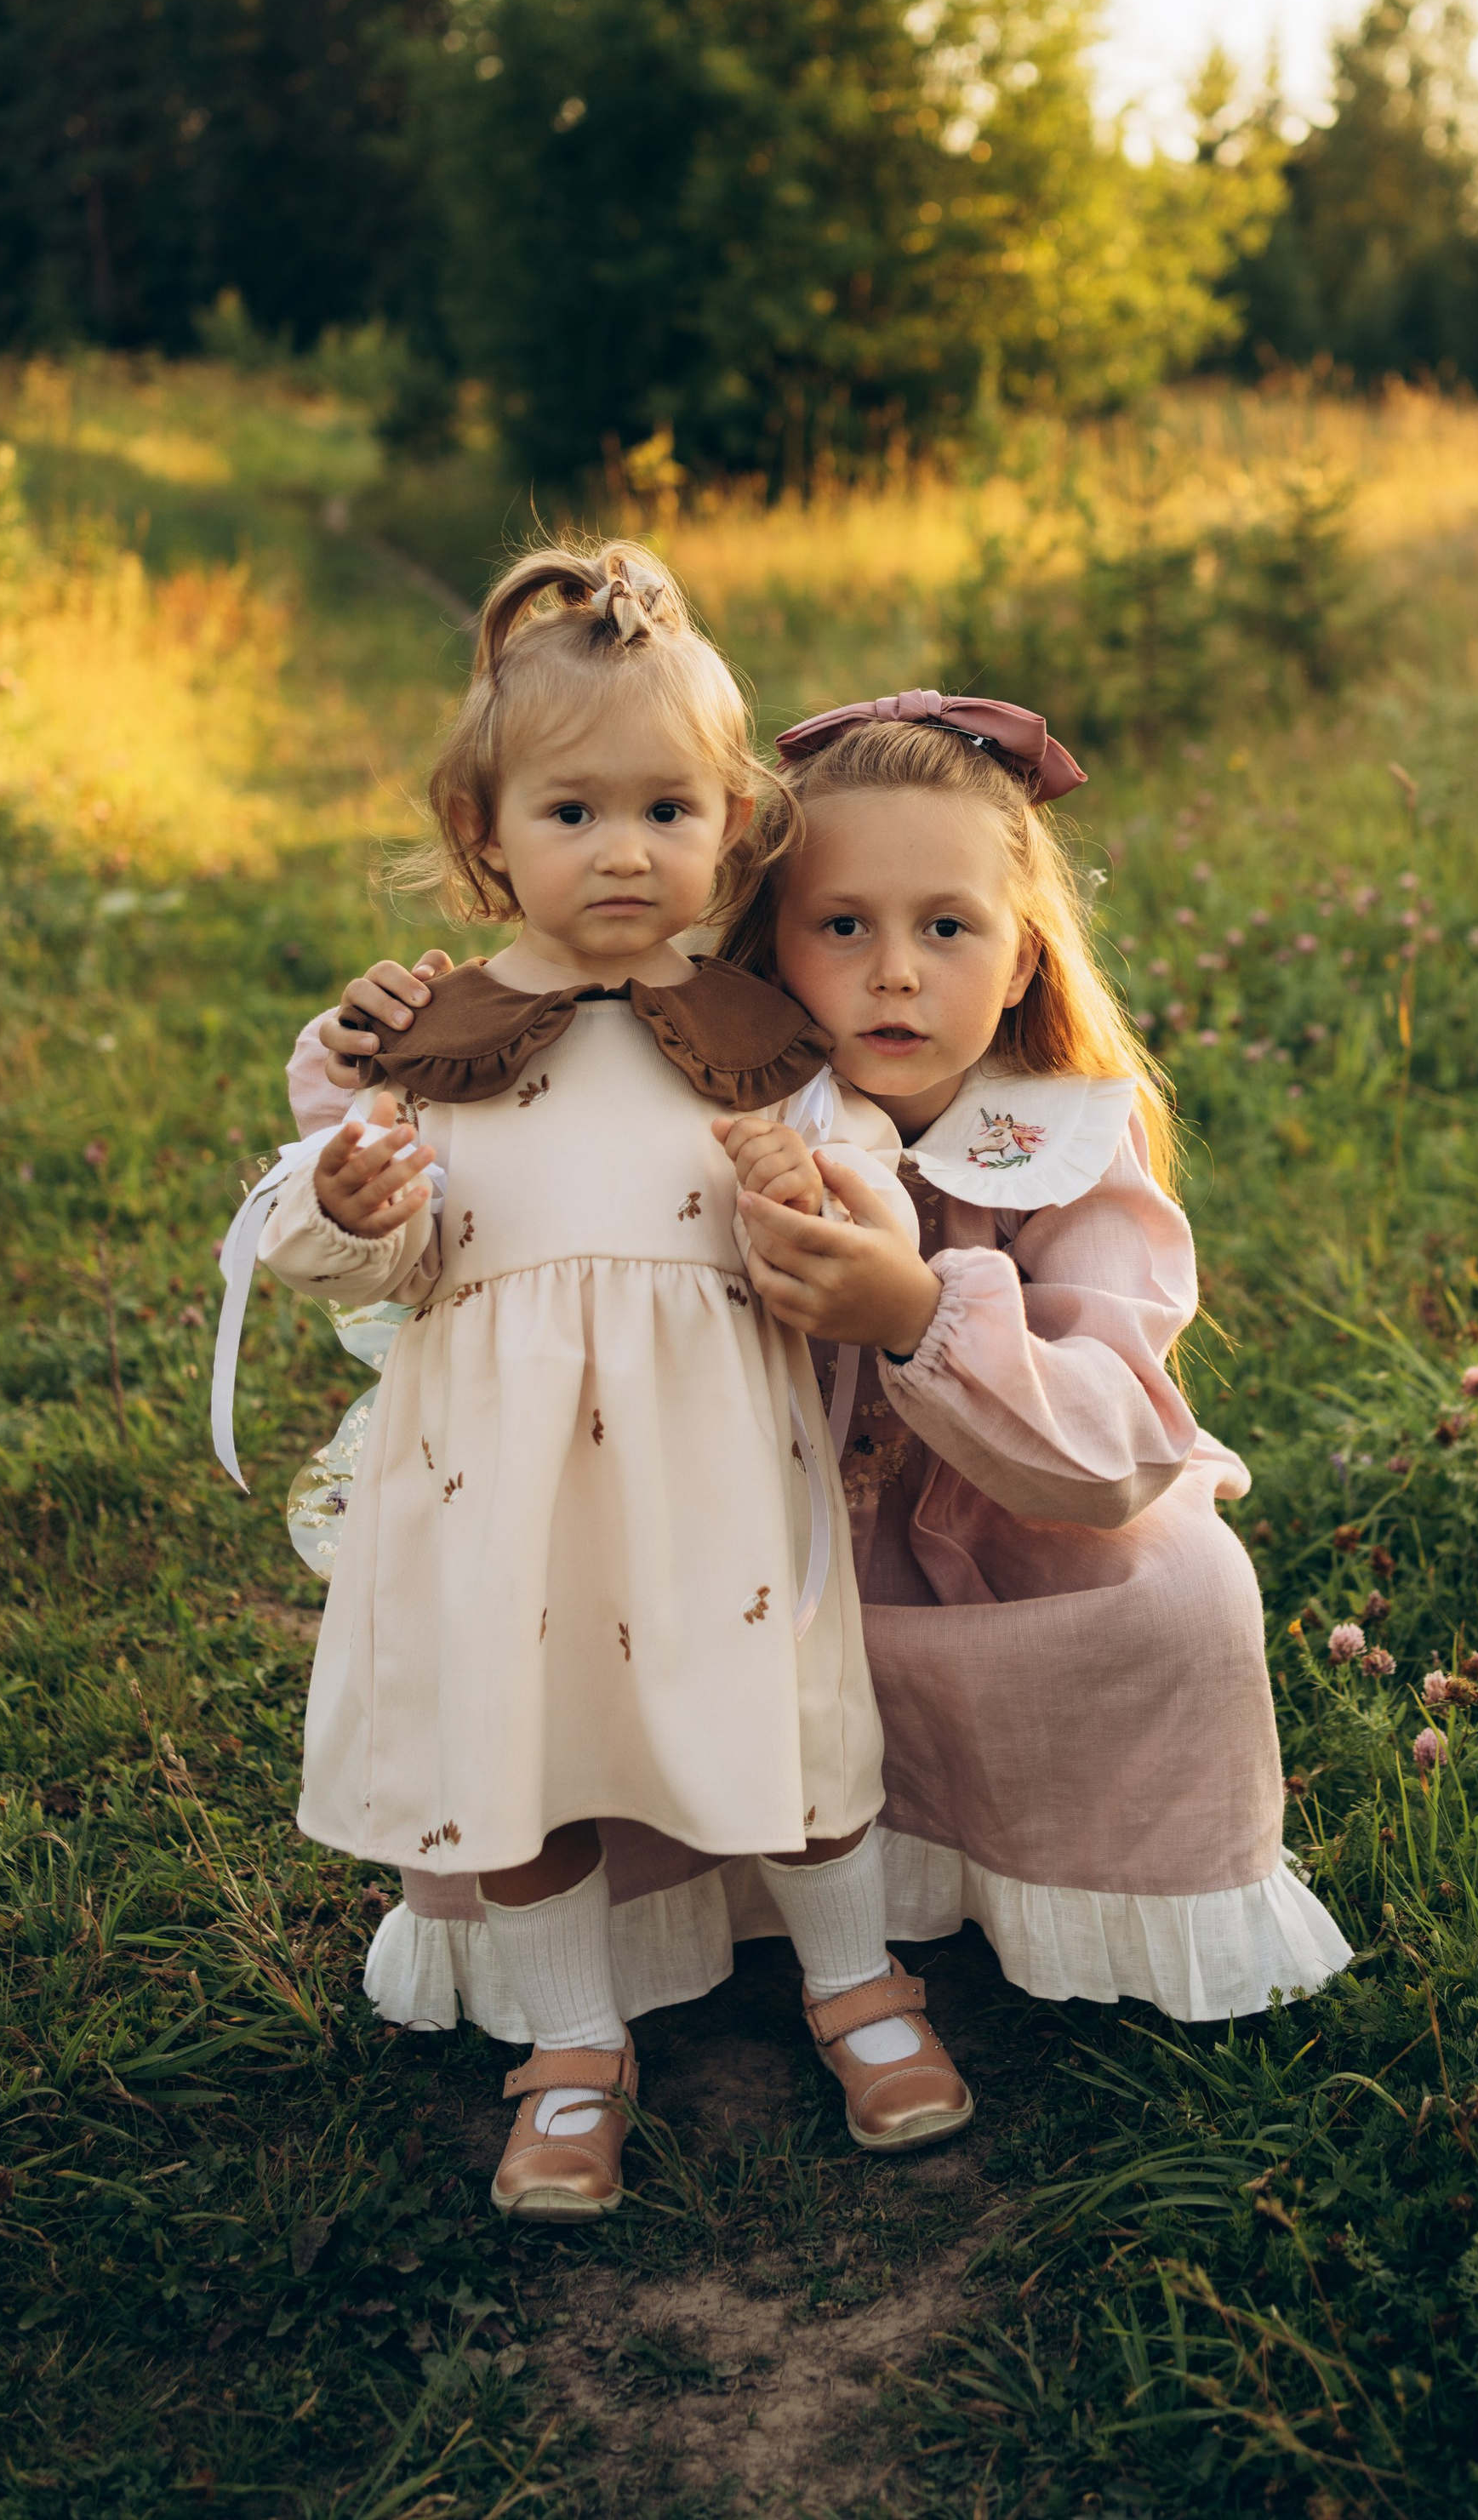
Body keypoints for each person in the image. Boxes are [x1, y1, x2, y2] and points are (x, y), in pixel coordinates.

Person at [304, 687, 1350, 2032]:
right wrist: (374, 1042)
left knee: (1185, 1601)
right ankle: (636, 1952)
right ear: (767, 948)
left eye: (949, 928)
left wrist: (918, 1314)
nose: (895, 971)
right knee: (563, 1641)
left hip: (992, 1571)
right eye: (843, 926)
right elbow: (505, 1100)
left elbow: (1121, 1444)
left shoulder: (1066, 1148)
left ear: (1024, 958)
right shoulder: (696, 1089)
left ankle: (1008, 1875)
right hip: (732, 1563)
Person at [253, 550, 973, 2225]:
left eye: (666, 810)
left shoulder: (755, 1039)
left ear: (733, 829)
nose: (623, 851)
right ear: (483, 834)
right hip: (499, 1489)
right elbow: (357, 1248)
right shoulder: (426, 1044)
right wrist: (354, 1212)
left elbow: (871, 1195)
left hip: (714, 1475)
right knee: (518, 1747)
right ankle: (569, 2042)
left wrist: (805, 1200)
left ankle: (856, 1984)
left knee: (788, 1732)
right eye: (570, 813)